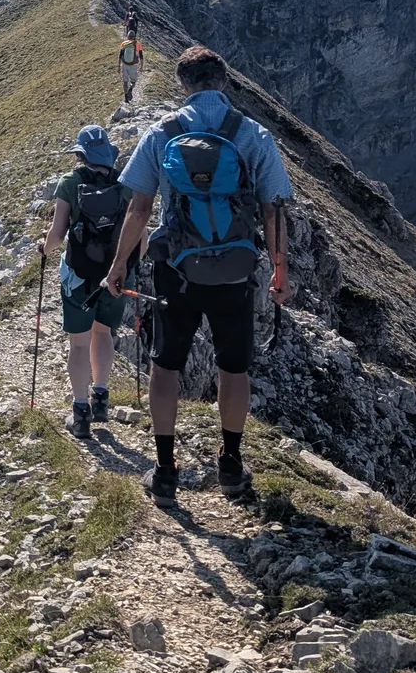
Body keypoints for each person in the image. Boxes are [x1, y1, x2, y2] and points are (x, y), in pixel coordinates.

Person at [104, 45, 293, 502]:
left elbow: (141, 207)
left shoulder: (161, 133)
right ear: (224, 81)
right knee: (234, 367)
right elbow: (274, 209)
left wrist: (119, 264)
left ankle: (165, 470)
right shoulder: (253, 135)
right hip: (234, 271)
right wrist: (281, 269)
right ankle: (230, 465)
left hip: (177, 271)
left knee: (165, 366)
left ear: (183, 84)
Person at [42, 124, 131, 440]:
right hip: (116, 276)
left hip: (80, 275)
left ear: (81, 154)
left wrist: (44, 248)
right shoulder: (125, 183)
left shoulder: (70, 183)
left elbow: (57, 234)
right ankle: (101, 398)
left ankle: (80, 414)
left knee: (78, 343)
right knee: (104, 331)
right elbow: (140, 235)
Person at [118, 35, 144, 103]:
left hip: (125, 65)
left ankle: (126, 97)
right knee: (134, 80)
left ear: (128, 37)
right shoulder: (138, 43)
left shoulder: (124, 43)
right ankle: (131, 88)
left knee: (125, 81)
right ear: (133, 37)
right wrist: (141, 66)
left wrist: (118, 66)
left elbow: (120, 55)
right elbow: (141, 55)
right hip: (134, 65)